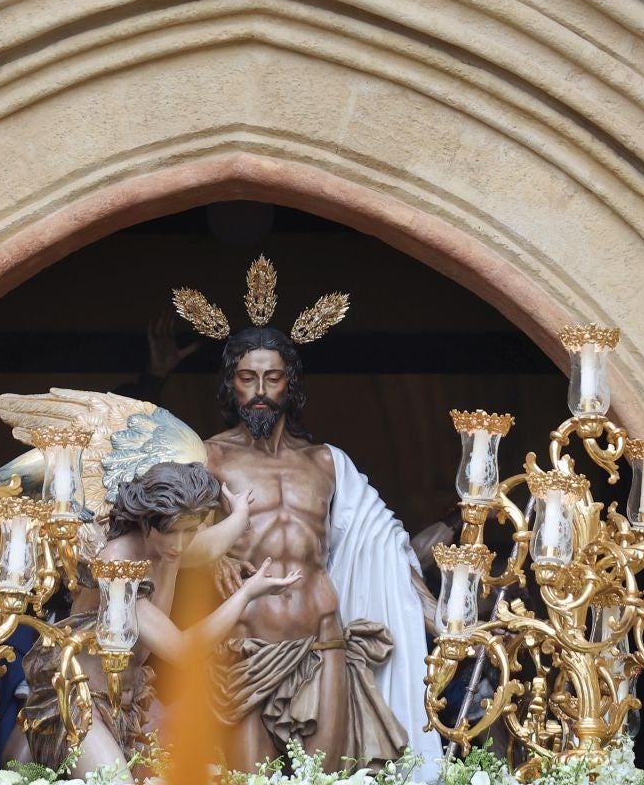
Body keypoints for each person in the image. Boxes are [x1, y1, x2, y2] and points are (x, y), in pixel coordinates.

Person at [172, 259, 442, 776]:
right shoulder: (207, 458)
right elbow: (170, 541)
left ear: (289, 383)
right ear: (231, 383)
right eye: (246, 377)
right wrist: (213, 555)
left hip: (323, 638)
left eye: (271, 378)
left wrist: (442, 614)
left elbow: (383, 544)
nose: (258, 390)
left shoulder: (326, 463)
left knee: (326, 776)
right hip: (245, 643)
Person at [19, 460, 297, 780]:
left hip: (128, 705)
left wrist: (238, 516)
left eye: (190, 530)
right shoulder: (118, 564)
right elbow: (181, 650)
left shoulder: (169, 548)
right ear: (147, 522)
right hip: (79, 705)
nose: (180, 544)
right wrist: (246, 595)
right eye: (171, 532)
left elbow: (212, 544)